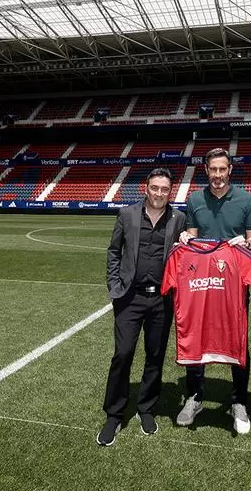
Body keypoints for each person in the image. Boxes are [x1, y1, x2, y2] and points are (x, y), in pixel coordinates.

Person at [97, 168, 186, 446]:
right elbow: (114, 251)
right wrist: (115, 285)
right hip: (129, 298)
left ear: (170, 192)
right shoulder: (127, 214)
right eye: (155, 187)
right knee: (123, 354)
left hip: (162, 298)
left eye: (165, 189)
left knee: (155, 355)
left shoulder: (179, 219)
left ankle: (146, 408)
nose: (159, 193)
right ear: (145, 188)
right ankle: (114, 415)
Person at [176, 147, 251, 434]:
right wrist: (185, 238)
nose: (218, 175)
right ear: (206, 170)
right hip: (201, 284)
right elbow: (192, 240)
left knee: (238, 339)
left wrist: (245, 243)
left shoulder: (246, 200)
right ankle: (195, 397)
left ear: (230, 170)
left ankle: (239, 401)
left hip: (233, 284)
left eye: (223, 169)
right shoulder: (195, 199)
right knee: (196, 337)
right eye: (213, 169)